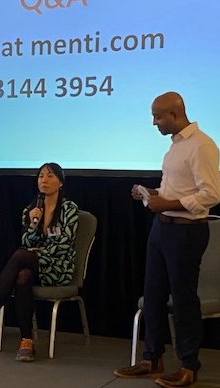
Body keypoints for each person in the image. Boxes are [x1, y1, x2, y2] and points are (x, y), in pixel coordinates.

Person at [114, 92, 220, 387]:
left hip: (186, 232)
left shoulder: (202, 145)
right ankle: (152, 358)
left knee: (184, 299)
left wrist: (168, 204)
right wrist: (153, 195)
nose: (154, 123)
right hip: (162, 230)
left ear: (175, 114)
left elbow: (211, 194)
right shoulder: (174, 148)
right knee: (153, 295)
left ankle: (189, 365)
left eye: (158, 116)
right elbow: (177, 191)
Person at [0, 162, 79, 361]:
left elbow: (64, 244)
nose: (44, 180)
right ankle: (27, 341)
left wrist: (37, 253)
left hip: (59, 267)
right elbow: (27, 242)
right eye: (41, 176)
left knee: (20, 256)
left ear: (60, 183)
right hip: (35, 265)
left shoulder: (69, 209)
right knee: (22, 277)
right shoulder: (31, 209)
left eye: (50, 176)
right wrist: (34, 224)